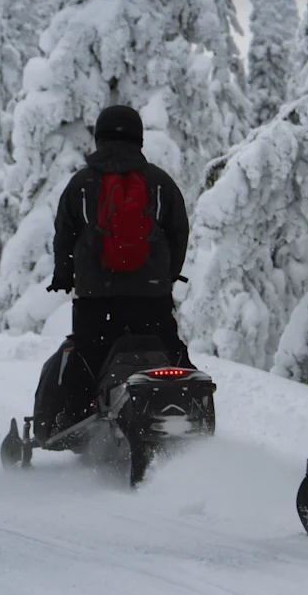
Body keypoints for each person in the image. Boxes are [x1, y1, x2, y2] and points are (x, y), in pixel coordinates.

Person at [33, 104, 191, 435]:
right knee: (169, 351)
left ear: (99, 137)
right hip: (152, 296)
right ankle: (188, 413)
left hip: (97, 298)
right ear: (139, 138)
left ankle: (71, 419)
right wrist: (167, 275)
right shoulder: (160, 183)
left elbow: (64, 235)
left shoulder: (81, 184)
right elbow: (179, 232)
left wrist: (64, 276)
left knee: (87, 357)